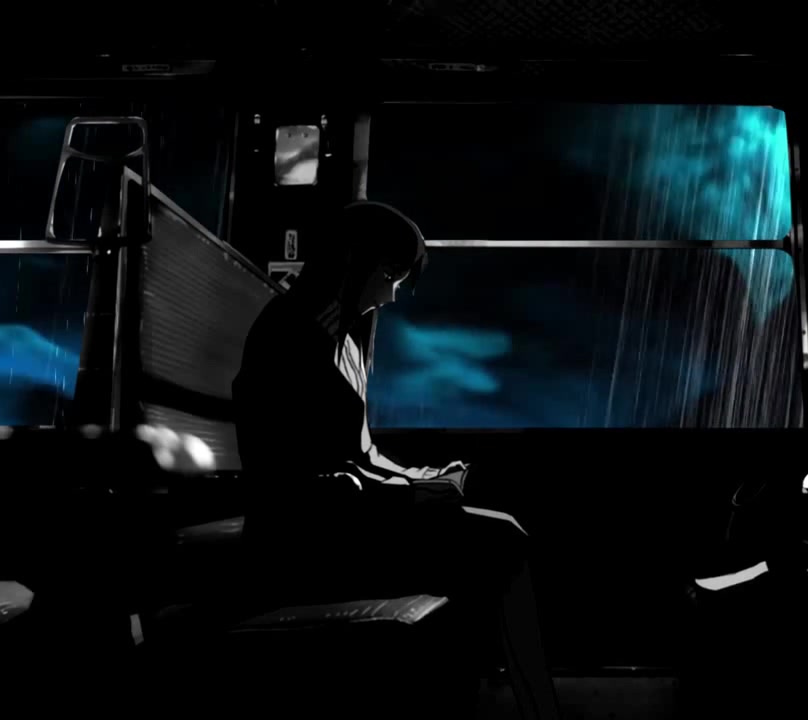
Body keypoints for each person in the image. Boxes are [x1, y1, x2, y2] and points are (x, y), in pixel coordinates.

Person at [231, 200, 561, 720]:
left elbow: (360, 455)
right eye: (389, 276)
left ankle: (510, 706)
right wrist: (411, 494)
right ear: (352, 263)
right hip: (306, 542)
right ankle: (538, 714)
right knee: (501, 541)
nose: (391, 294)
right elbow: (301, 481)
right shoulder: (293, 334)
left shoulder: (340, 337)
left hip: (340, 523)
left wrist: (423, 478)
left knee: (497, 534)